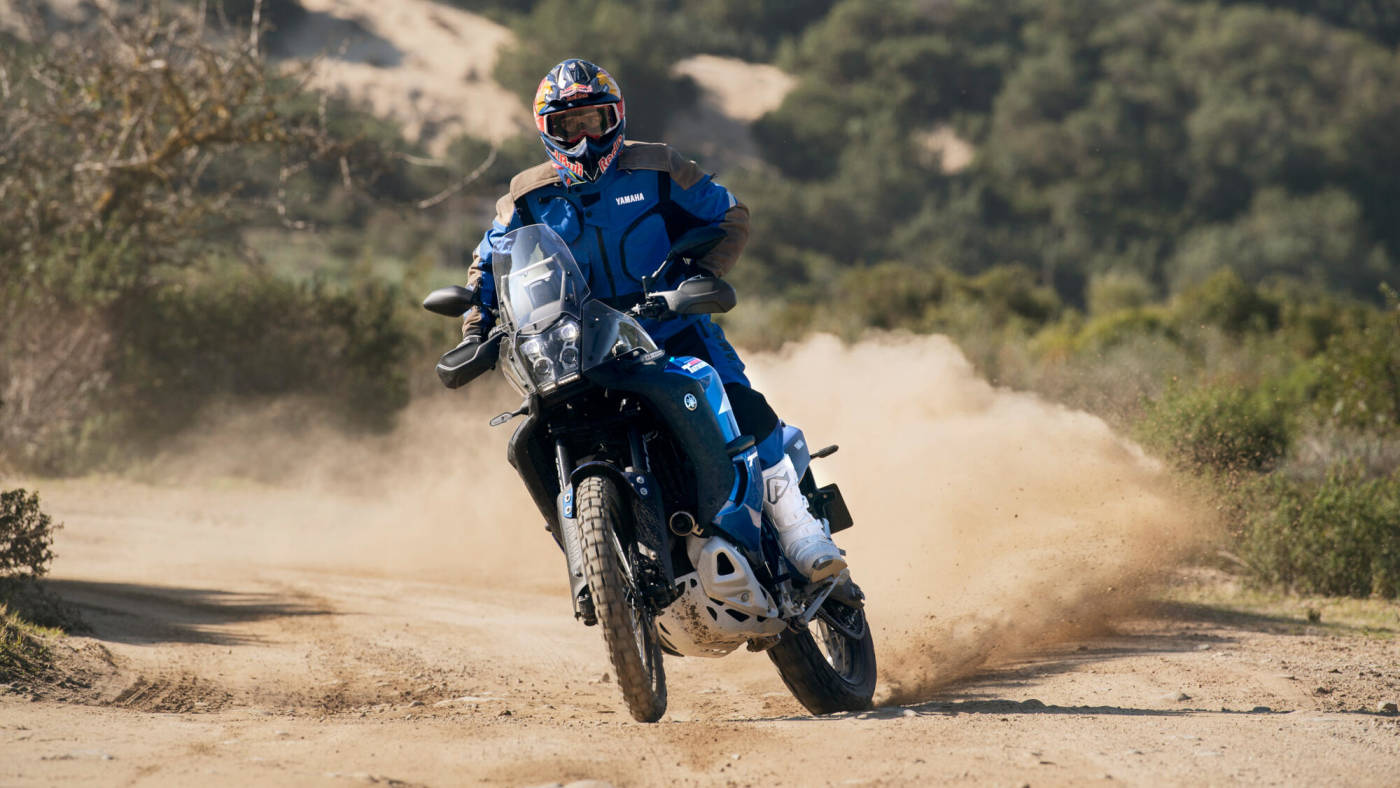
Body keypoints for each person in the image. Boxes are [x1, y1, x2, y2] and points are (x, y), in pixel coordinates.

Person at [458, 58, 844, 582]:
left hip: (670, 328)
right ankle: (604, 557)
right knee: (543, 430)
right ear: (546, 129)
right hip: (580, 347)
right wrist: (476, 327)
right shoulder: (526, 196)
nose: (584, 138)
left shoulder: (658, 167)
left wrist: (697, 275)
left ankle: (802, 534)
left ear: (615, 118)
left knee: (741, 405)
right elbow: (488, 266)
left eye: (594, 121)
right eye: (569, 126)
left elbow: (728, 215)